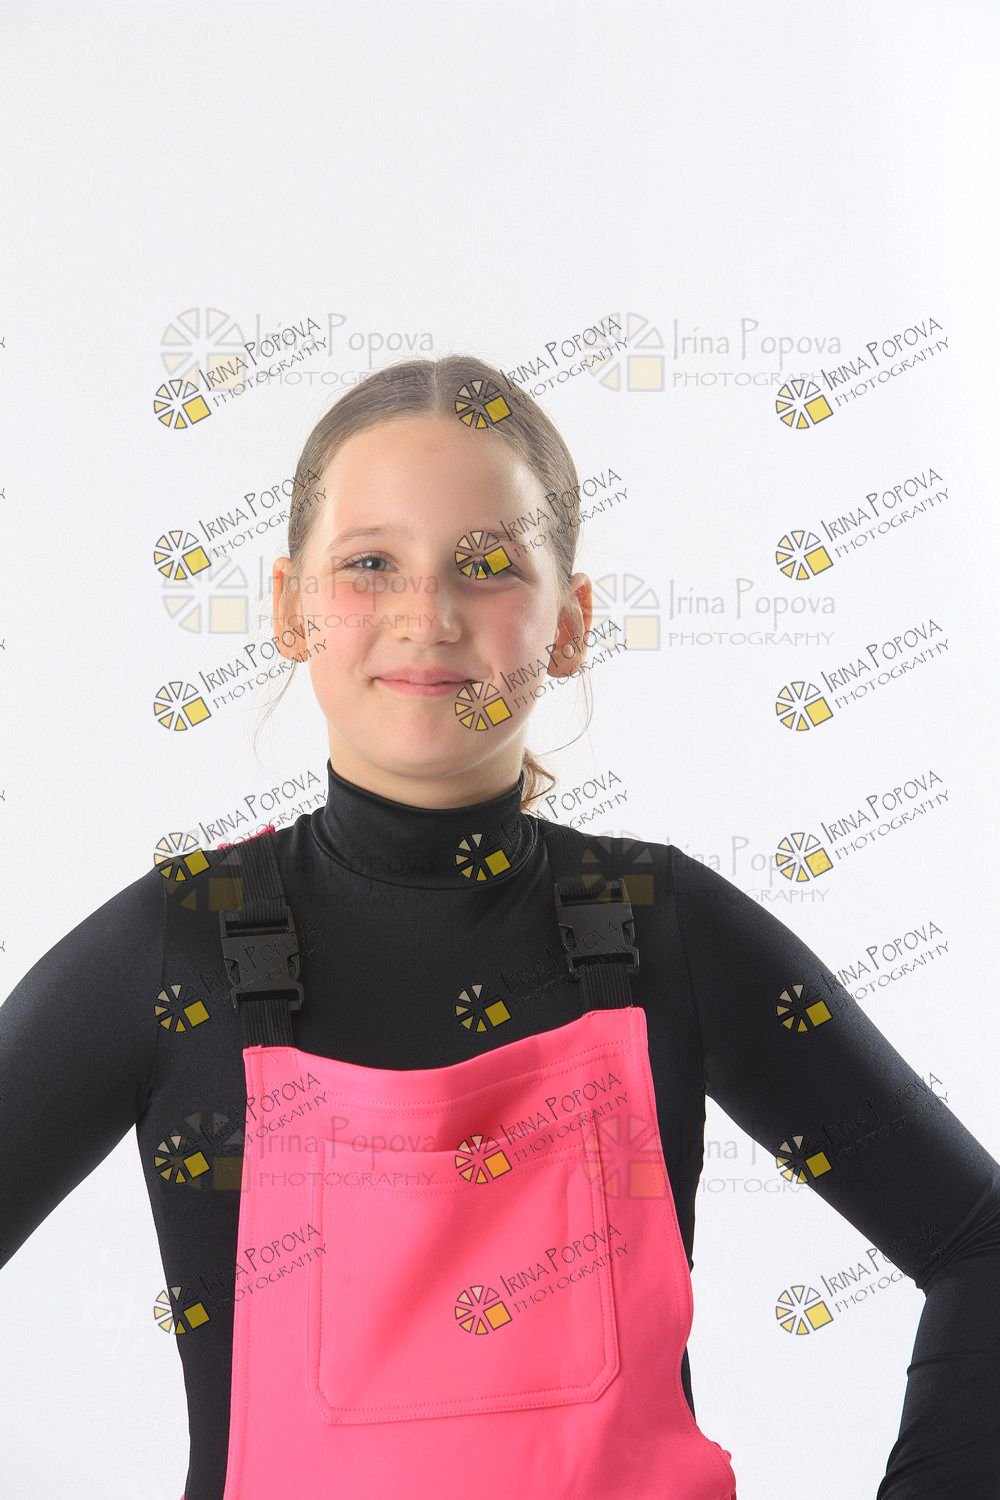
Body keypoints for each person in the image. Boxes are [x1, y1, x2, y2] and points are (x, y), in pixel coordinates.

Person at [2, 355, 999, 1500]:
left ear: (568, 625)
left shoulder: (659, 929)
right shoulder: (178, 946)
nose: (425, 616)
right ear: (287, 608)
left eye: (485, 566)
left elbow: (976, 1244)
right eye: (370, 564)